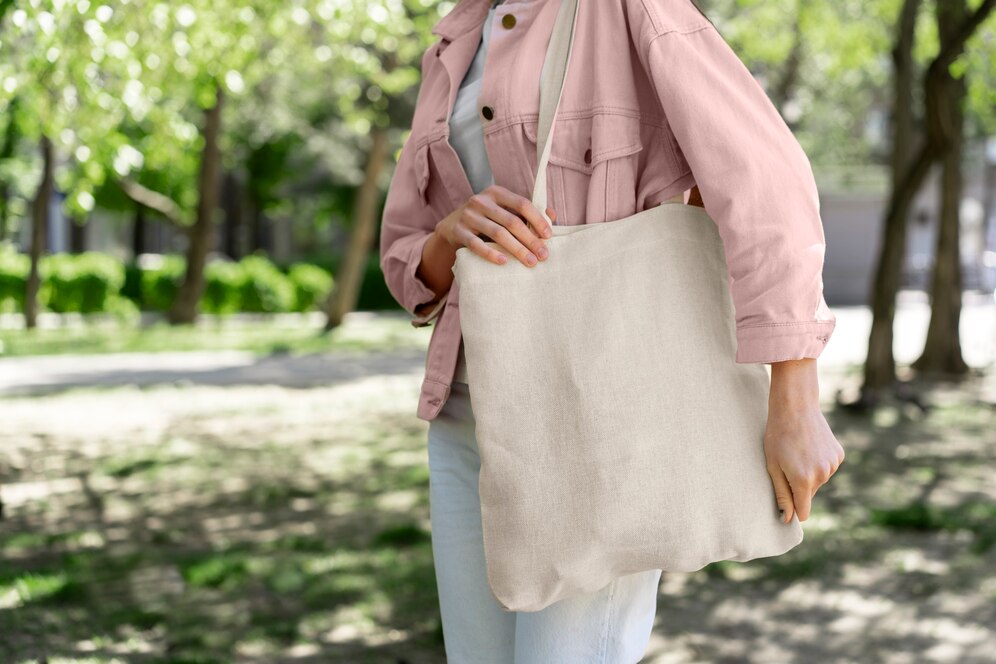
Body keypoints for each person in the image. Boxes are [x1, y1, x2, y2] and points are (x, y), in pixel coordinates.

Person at [379, 0, 845, 661]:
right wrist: (449, 236)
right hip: (463, 423)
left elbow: (766, 182)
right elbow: (404, 254)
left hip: (598, 426)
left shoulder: (628, 9)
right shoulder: (455, 35)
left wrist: (795, 397)